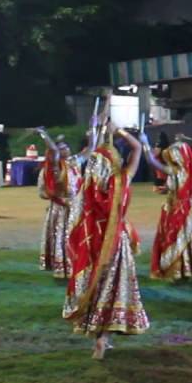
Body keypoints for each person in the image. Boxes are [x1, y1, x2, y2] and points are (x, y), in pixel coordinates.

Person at [64, 109, 150, 359]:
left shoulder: (88, 189)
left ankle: (98, 337)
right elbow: (137, 148)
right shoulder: (122, 180)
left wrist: (99, 129)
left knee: (96, 284)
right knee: (114, 288)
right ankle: (105, 337)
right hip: (116, 240)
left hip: (94, 238)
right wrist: (116, 129)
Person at [143, 135, 192, 281]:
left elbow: (151, 161)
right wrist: (167, 189)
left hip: (178, 209)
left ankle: (177, 271)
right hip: (180, 207)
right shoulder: (183, 171)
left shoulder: (175, 171)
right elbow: (176, 187)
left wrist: (144, 142)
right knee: (183, 238)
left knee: (176, 238)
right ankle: (184, 270)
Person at [36, 129, 79, 278]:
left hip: (76, 208)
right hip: (60, 209)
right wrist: (44, 134)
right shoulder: (52, 168)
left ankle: (77, 265)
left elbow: (90, 149)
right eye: (63, 148)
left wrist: (97, 129)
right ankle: (63, 267)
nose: (67, 149)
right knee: (63, 237)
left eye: (67, 147)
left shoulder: (73, 163)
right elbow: (42, 193)